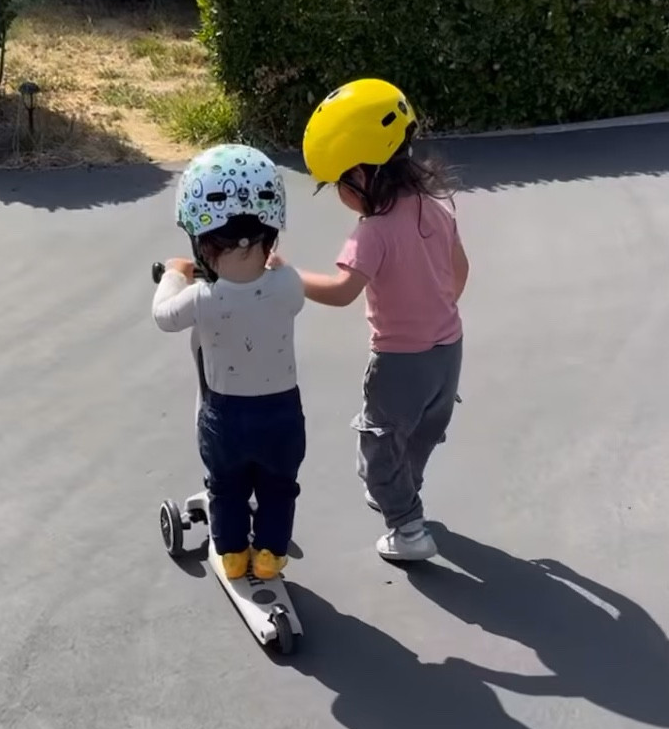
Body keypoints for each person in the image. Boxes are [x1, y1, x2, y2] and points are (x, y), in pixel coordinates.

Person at [281, 78, 469, 562]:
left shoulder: (372, 232)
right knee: (423, 430)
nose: (340, 194)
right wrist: (434, 311)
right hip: (448, 354)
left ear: (363, 174)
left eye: (338, 183)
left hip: (399, 363)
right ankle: (406, 491)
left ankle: (408, 530)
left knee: (379, 447)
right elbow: (460, 269)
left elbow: (343, 293)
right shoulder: (436, 205)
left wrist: (287, 276)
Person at [152, 144, 306, 582]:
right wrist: (274, 266)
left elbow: (164, 316)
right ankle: (270, 556)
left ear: (201, 242)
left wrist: (174, 274)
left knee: (227, 486)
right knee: (279, 488)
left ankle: (234, 554)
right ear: (272, 232)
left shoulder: (202, 297)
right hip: (282, 416)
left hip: (227, 416)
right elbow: (282, 279)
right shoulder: (288, 285)